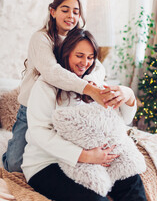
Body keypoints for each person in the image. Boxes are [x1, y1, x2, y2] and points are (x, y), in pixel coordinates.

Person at [22, 29, 147, 201]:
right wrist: (85, 156)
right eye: (79, 56)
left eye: (90, 57)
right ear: (66, 54)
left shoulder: (96, 84)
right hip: (47, 162)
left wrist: (129, 95)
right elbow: (40, 133)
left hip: (97, 159)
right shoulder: (45, 87)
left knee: (133, 184)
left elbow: (123, 120)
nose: (85, 63)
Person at [2, 0, 107, 172]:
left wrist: (91, 81)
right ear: (53, 11)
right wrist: (88, 89)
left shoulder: (78, 39)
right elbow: (52, 72)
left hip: (65, 109)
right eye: (65, 10)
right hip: (31, 109)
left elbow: (99, 67)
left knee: (59, 157)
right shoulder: (41, 38)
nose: (70, 16)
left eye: (75, 11)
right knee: (14, 165)